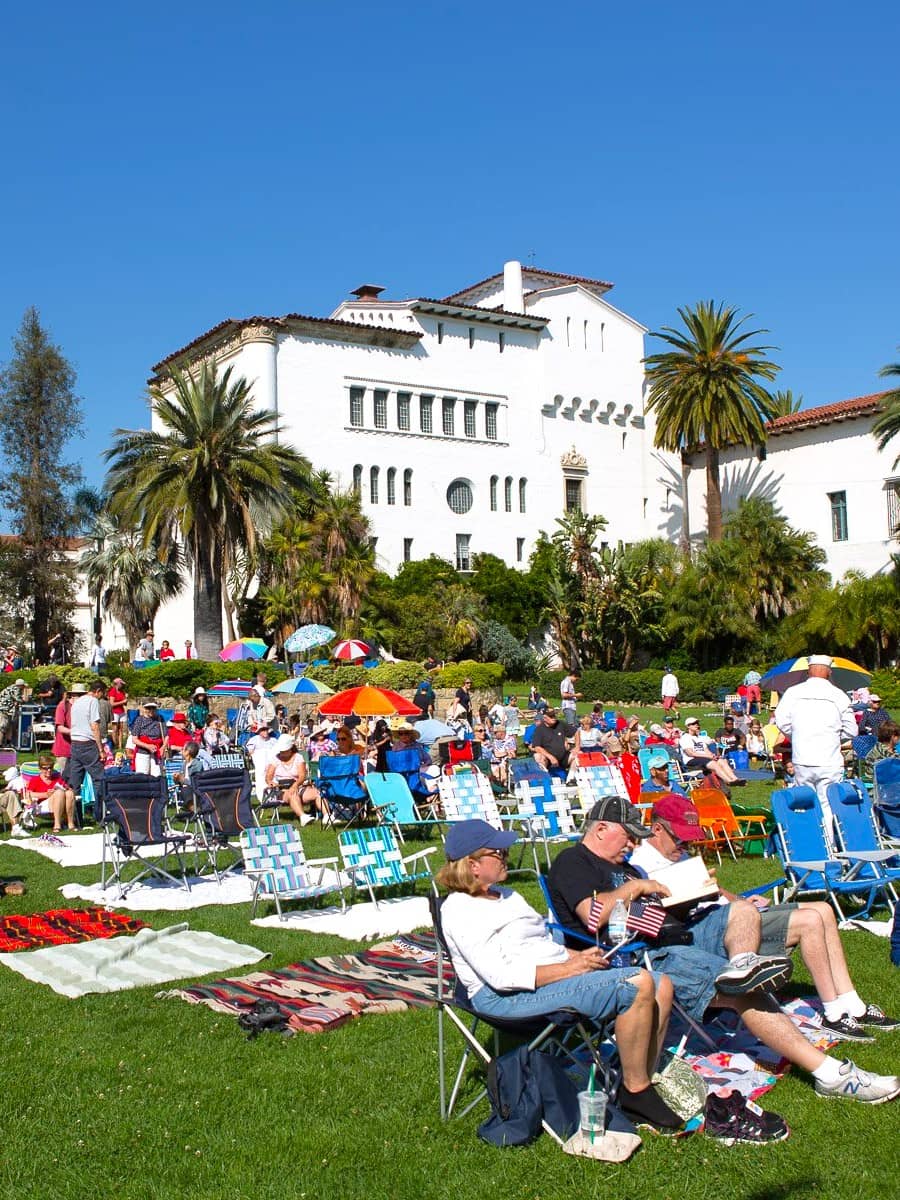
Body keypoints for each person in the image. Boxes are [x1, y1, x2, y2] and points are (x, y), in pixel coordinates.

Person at [547, 797, 900, 1105]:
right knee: (744, 992)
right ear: (601, 828)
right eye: (627, 837)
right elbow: (592, 916)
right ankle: (831, 1075)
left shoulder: (622, 867)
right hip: (640, 955)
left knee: (742, 911)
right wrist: (639, 885)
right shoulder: (573, 861)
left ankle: (743, 963)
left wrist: (692, 894)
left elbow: (654, 914)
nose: (631, 846)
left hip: (674, 931)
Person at [436, 819, 683, 1132]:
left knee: (661, 984)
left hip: (545, 979)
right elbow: (500, 976)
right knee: (635, 983)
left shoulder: (506, 895)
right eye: (498, 853)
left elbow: (538, 943)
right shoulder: (461, 910)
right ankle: (636, 1094)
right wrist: (570, 969)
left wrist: (577, 956)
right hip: (505, 998)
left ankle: (636, 1081)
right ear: (472, 865)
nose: (507, 856)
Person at [630, 793, 900, 1042]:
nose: (686, 844)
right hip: (706, 934)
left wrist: (742, 901)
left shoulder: (677, 854)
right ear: (656, 829)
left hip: (732, 917)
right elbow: (656, 913)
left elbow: (714, 889)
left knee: (823, 909)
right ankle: (833, 1015)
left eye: (689, 838)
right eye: (680, 837)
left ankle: (853, 1003)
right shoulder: (642, 865)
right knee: (810, 921)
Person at [774, 654, 857, 829]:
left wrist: (797, 736)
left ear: (808, 671)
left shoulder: (793, 692)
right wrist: (833, 738)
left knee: (804, 802)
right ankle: (830, 845)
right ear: (828, 672)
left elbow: (781, 721)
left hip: (802, 757)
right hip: (829, 759)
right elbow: (851, 730)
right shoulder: (839, 695)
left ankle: (808, 843)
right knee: (827, 804)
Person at [264, 733, 326, 824]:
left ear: (291, 749)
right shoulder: (275, 759)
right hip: (281, 789)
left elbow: (302, 776)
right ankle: (303, 816)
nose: (282, 753)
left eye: (284, 750)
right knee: (292, 794)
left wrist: (295, 785)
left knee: (317, 793)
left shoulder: (298, 757)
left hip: (298, 785)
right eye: (281, 751)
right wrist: (270, 782)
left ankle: (327, 816)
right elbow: (268, 776)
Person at [68, 679, 107, 803]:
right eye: (102, 693)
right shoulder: (93, 701)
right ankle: (99, 812)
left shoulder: (76, 702)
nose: (102, 697)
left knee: (75, 782)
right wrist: (101, 749)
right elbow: (94, 726)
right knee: (98, 779)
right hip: (88, 744)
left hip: (75, 743)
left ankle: (75, 816)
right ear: (98, 691)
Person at [679, 717, 742, 792]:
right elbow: (690, 753)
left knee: (722, 761)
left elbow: (706, 750)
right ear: (688, 726)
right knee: (713, 764)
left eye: (697, 723)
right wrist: (708, 756)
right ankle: (728, 781)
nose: (697, 725)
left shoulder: (699, 738)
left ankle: (735, 779)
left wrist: (713, 756)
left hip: (704, 758)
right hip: (691, 760)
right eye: (694, 724)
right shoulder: (685, 738)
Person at [25, 753, 78, 833]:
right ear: (40, 769)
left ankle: (70, 824)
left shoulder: (57, 778)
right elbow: (28, 794)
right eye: (45, 768)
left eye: (50, 768)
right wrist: (46, 794)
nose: (49, 770)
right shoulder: (35, 780)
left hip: (61, 803)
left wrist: (67, 788)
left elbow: (66, 788)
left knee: (70, 793)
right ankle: (57, 824)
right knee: (59, 793)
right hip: (42, 806)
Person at [530, 707, 574, 774]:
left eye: (554, 715)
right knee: (538, 756)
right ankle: (545, 779)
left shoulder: (561, 724)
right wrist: (551, 757)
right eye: (551, 716)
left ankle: (571, 778)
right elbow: (537, 747)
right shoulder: (539, 729)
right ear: (544, 718)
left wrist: (577, 747)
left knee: (578, 754)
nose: (554, 718)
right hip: (547, 759)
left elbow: (576, 731)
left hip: (563, 757)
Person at [131, 699, 168, 775]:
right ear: (144, 709)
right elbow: (134, 739)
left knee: (157, 776)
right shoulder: (139, 720)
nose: (151, 710)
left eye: (153, 708)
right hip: (142, 752)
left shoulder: (160, 719)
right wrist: (147, 746)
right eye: (148, 708)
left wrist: (163, 748)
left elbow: (166, 736)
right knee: (142, 777)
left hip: (157, 752)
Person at [52, 684, 74, 776]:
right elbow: (60, 728)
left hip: (76, 748)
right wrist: (75, 732)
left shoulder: (79, 707)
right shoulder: (62, 706)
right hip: (63, 748)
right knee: (65, 777)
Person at [0, 678, 28, 747]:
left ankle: (8, 744)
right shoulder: (16, 689)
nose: (23, 687)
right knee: (2, 728)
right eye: (23, 686)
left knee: (9, 726)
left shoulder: (10, 687)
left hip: (7, 710)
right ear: (20, 685)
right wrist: (24, 698)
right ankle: (1, 745)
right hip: (5, 710)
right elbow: (20, 700)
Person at [107, 677, 129, 750]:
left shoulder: (122, 692)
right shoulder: (112, 691)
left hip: (121, 712)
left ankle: (120, 746)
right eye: (121, 684)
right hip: (114, 712)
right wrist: (122, 702)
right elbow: (111, 704)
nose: (122, 685)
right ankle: (115, 745)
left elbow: (125, 704)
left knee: (121, 729)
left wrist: (126, 700)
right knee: (115, 729)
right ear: (117, 684)